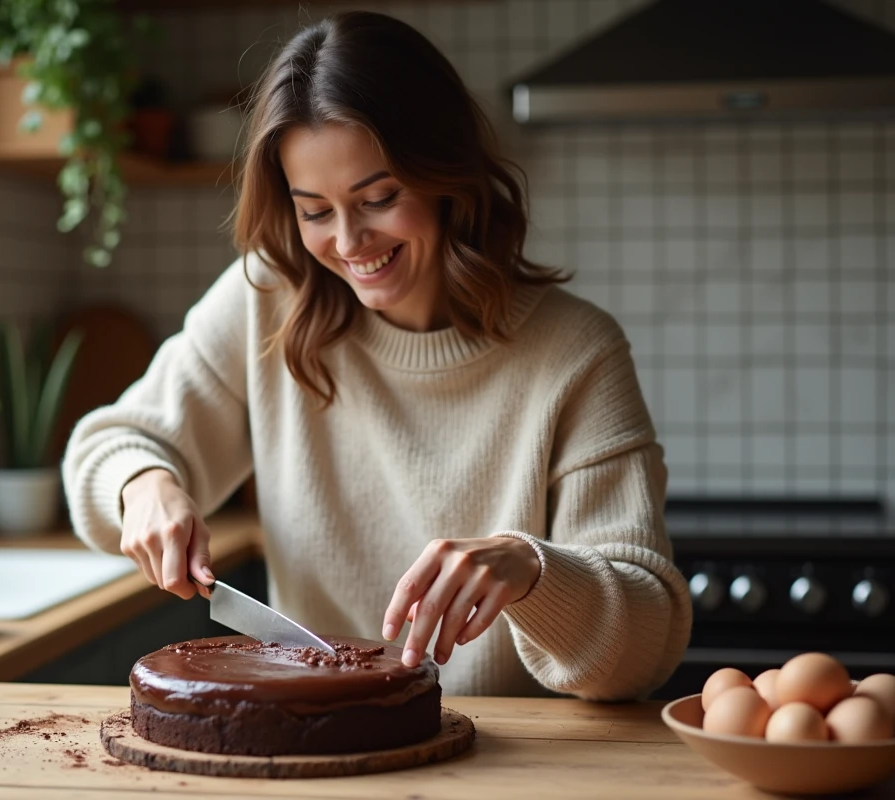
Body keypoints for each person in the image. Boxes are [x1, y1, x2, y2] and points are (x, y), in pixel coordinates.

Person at [63, 11, 691, 699]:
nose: (349, 241)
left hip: (500, 749)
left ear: (447, 175)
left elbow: (645, 647)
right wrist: (145, 486)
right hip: (310, 740)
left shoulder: (576, 351)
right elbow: (110, 446)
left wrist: (532, 570)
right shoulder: (267, 298)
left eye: (380, 197)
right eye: (314, 211)